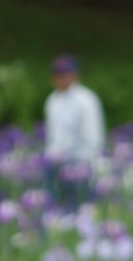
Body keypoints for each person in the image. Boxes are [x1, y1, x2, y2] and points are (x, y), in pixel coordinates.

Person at [44, 54, 106, 203]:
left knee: (79, 203)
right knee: (55, 203)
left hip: (79, 161)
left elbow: (93, 136)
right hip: (55, 160)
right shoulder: (52, 100)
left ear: (74, 75)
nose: (59, 78)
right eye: (56, 74)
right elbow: (52, 134)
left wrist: (86, 163)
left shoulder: (86, 99)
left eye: (64, 74)